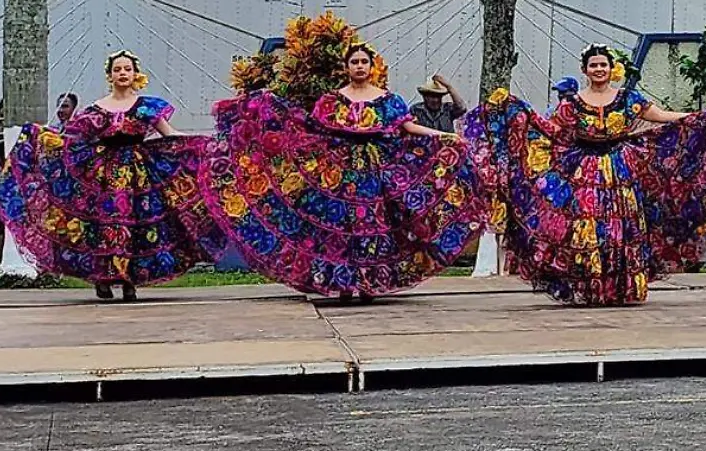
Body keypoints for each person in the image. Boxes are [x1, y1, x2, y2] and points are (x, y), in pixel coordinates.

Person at [202, 15, 494, 302]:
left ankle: (368, 284)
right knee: (339, 227)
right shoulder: (331, 100)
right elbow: (313, 129)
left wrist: (444, 136)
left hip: (374, 170)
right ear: (347, 67)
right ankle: (341, 284)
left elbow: (406, 126)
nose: (359, 66)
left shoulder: (387, 99)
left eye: (364, 62)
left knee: (371, 225)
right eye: (354, 62)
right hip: (339, 172)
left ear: (371, 66)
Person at [472, 44, 706, 305]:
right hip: (584, 170)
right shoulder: (572, 104)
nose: (599, 69)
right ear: (584, 70)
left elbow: (661, 116)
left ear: (612, 69)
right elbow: (550, 129)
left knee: (622, 230)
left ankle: (620, 288)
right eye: (593, 66)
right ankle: (589, 288)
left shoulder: (627, 98)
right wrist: (516, 112)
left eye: (603, 65)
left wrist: (704, 116)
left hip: (621, 169)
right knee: (588, 228)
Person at [0, 52, 222, 301]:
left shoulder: (147, 106)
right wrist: (41, 138)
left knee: (136, 225)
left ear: (136, 74)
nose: (123, 73)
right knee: (104, 226)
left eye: (127, 69)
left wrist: (204, 144)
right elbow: (74, 142)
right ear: (110, 75)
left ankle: (129, 281)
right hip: (103, 176)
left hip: (140, 175)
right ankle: (101, 277)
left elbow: (169, 134)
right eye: (118, 69)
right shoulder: (97, 109)